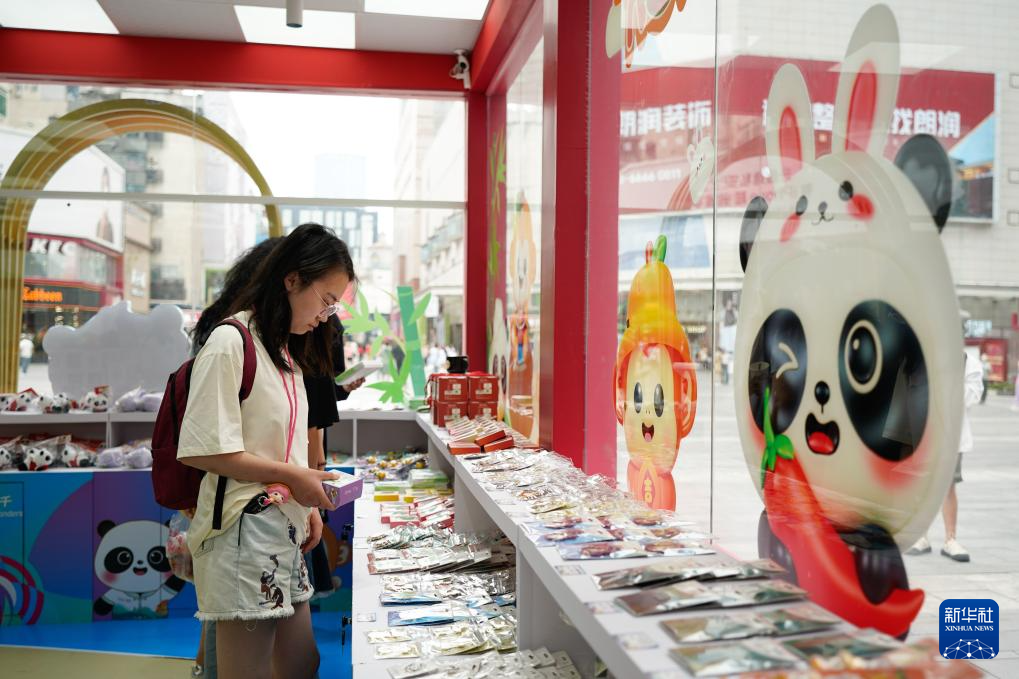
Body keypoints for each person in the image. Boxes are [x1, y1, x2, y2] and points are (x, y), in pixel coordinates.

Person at [177, 223, 355, 679]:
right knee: (248, 669)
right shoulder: (230, 342)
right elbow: (202, 449)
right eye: (326, 300)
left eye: (335, 305)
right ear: (292, 279)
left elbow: (285, 444)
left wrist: (305, 504)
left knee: (302, 662)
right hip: (242, 531)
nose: (327, 316)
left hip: (281, 526)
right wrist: (295, 478)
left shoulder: (283, 351)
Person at [907, 350, 983, 562]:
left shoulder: (966, 360)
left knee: (948, 487)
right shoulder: (922, 355)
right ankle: (921, 537)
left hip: (951, 437)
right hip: (923, 433)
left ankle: (951, 540)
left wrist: (947, 389)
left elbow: (974, 395)